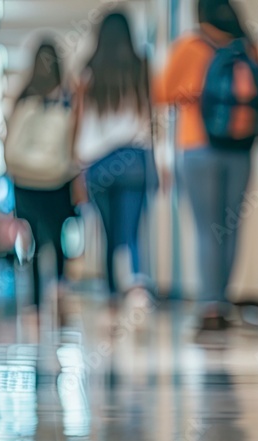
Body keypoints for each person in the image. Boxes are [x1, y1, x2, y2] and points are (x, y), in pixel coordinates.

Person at [154, 0, 258, 334]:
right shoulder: (251, 47)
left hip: (197, 145)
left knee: (207, 228)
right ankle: (224, 302)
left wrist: (191, 94)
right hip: (240, 146)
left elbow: (161, 93)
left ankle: (210, 306)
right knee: (231, 226)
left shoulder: (189, 45)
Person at [74, 11, 156, 311]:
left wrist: (79, 167)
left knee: (108, 231)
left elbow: (82, 123)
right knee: (132, 229)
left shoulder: (88, 71)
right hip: (134, 157)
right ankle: (135, 285)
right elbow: (149, 120)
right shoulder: (141, 67)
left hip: (98, 163)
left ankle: (111, 292)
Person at [4, 41, 79, 309]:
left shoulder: (23, 97)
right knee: (58, 237)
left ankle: (35, 302)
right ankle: (59, 289)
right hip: (56, 179)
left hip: (25, 181)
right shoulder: (69, 98)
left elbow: (9, 141)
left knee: (31, 239)